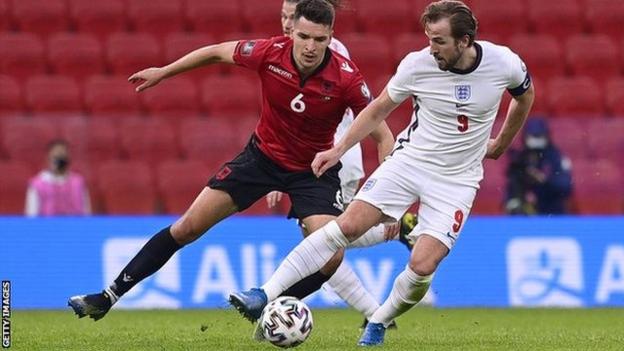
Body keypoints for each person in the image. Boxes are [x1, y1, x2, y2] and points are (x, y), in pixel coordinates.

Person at [68, 0, 402, 323]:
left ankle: (270, 306)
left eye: (320, 39)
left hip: (312, 172)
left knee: (332, 256)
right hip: (261, 159)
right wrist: (165, 72)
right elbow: (214, 52)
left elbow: (384, 136)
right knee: (187, 227)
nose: (311, 46)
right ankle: (107, 296)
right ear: (291, 33)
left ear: (331, 37)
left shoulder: (346, 79)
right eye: (303, 37)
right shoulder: (269, 53)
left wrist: (385, 193)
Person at [229, 0, 535, 346]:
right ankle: (262, 293)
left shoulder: (504, 63)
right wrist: (338, 149)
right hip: (410, 161)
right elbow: (376, 111)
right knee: (346, 226)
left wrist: (500, 144)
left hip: (458, 179)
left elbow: (524, 97)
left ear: (464, 41)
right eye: (428, 38)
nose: (430, 48)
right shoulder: (417, 65)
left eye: (438, 41)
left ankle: (379, 319)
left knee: (422, 265)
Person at [263, 0, 416, 329]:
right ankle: (376, 313)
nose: (287, 23)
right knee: (324, 242)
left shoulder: (325, 51)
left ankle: (376, 309)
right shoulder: (295, 49)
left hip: (334, 160)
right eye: (284, 16)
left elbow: (361, 114)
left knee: (324, 244)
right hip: (313, 161)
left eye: (292, 17)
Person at [505, 117, 572, 215]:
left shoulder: (556, 157)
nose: (536, 140)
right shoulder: (520, 158)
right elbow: (512, 185)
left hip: (552, 211)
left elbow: (565, 187)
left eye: (539, 135)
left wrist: (544, 180)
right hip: (525, 215)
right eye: (532, 136)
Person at [25, 139, 91, 216]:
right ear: (48, 158)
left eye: (62, 157)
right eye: (56, 157)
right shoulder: (36, 184)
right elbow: (31, 218)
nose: (59, 161)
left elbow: (87, 215)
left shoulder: (79, 183)